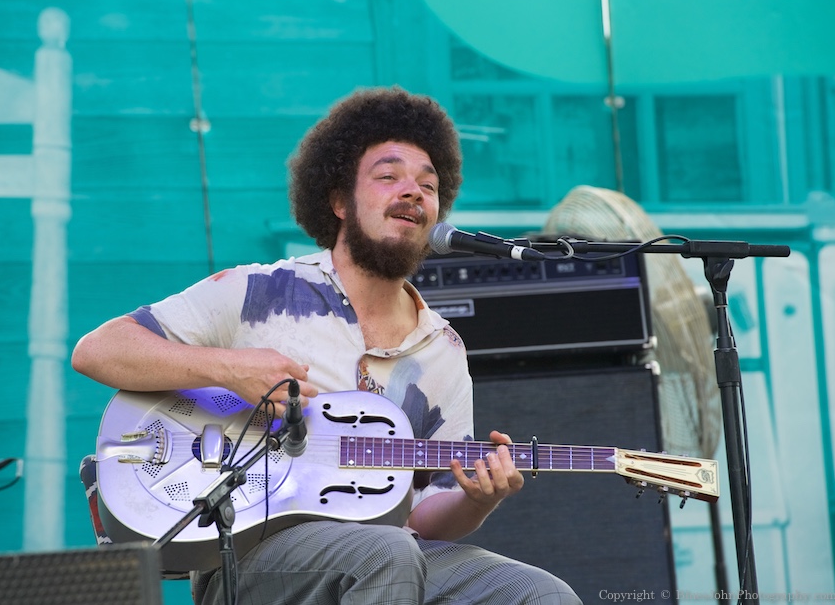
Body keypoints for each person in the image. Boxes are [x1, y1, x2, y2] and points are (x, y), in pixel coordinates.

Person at [72, 86, 581, 605]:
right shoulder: (257, 292)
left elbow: (424, 514)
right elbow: (97, 350)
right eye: (388, 176)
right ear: (338, 201)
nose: (413, 192)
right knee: (387, 554)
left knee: (540, 593)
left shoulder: (443, 349)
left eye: (428, 185)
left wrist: (478, 500)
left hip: (392, 549)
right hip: (247, 557)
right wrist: (231, 370)